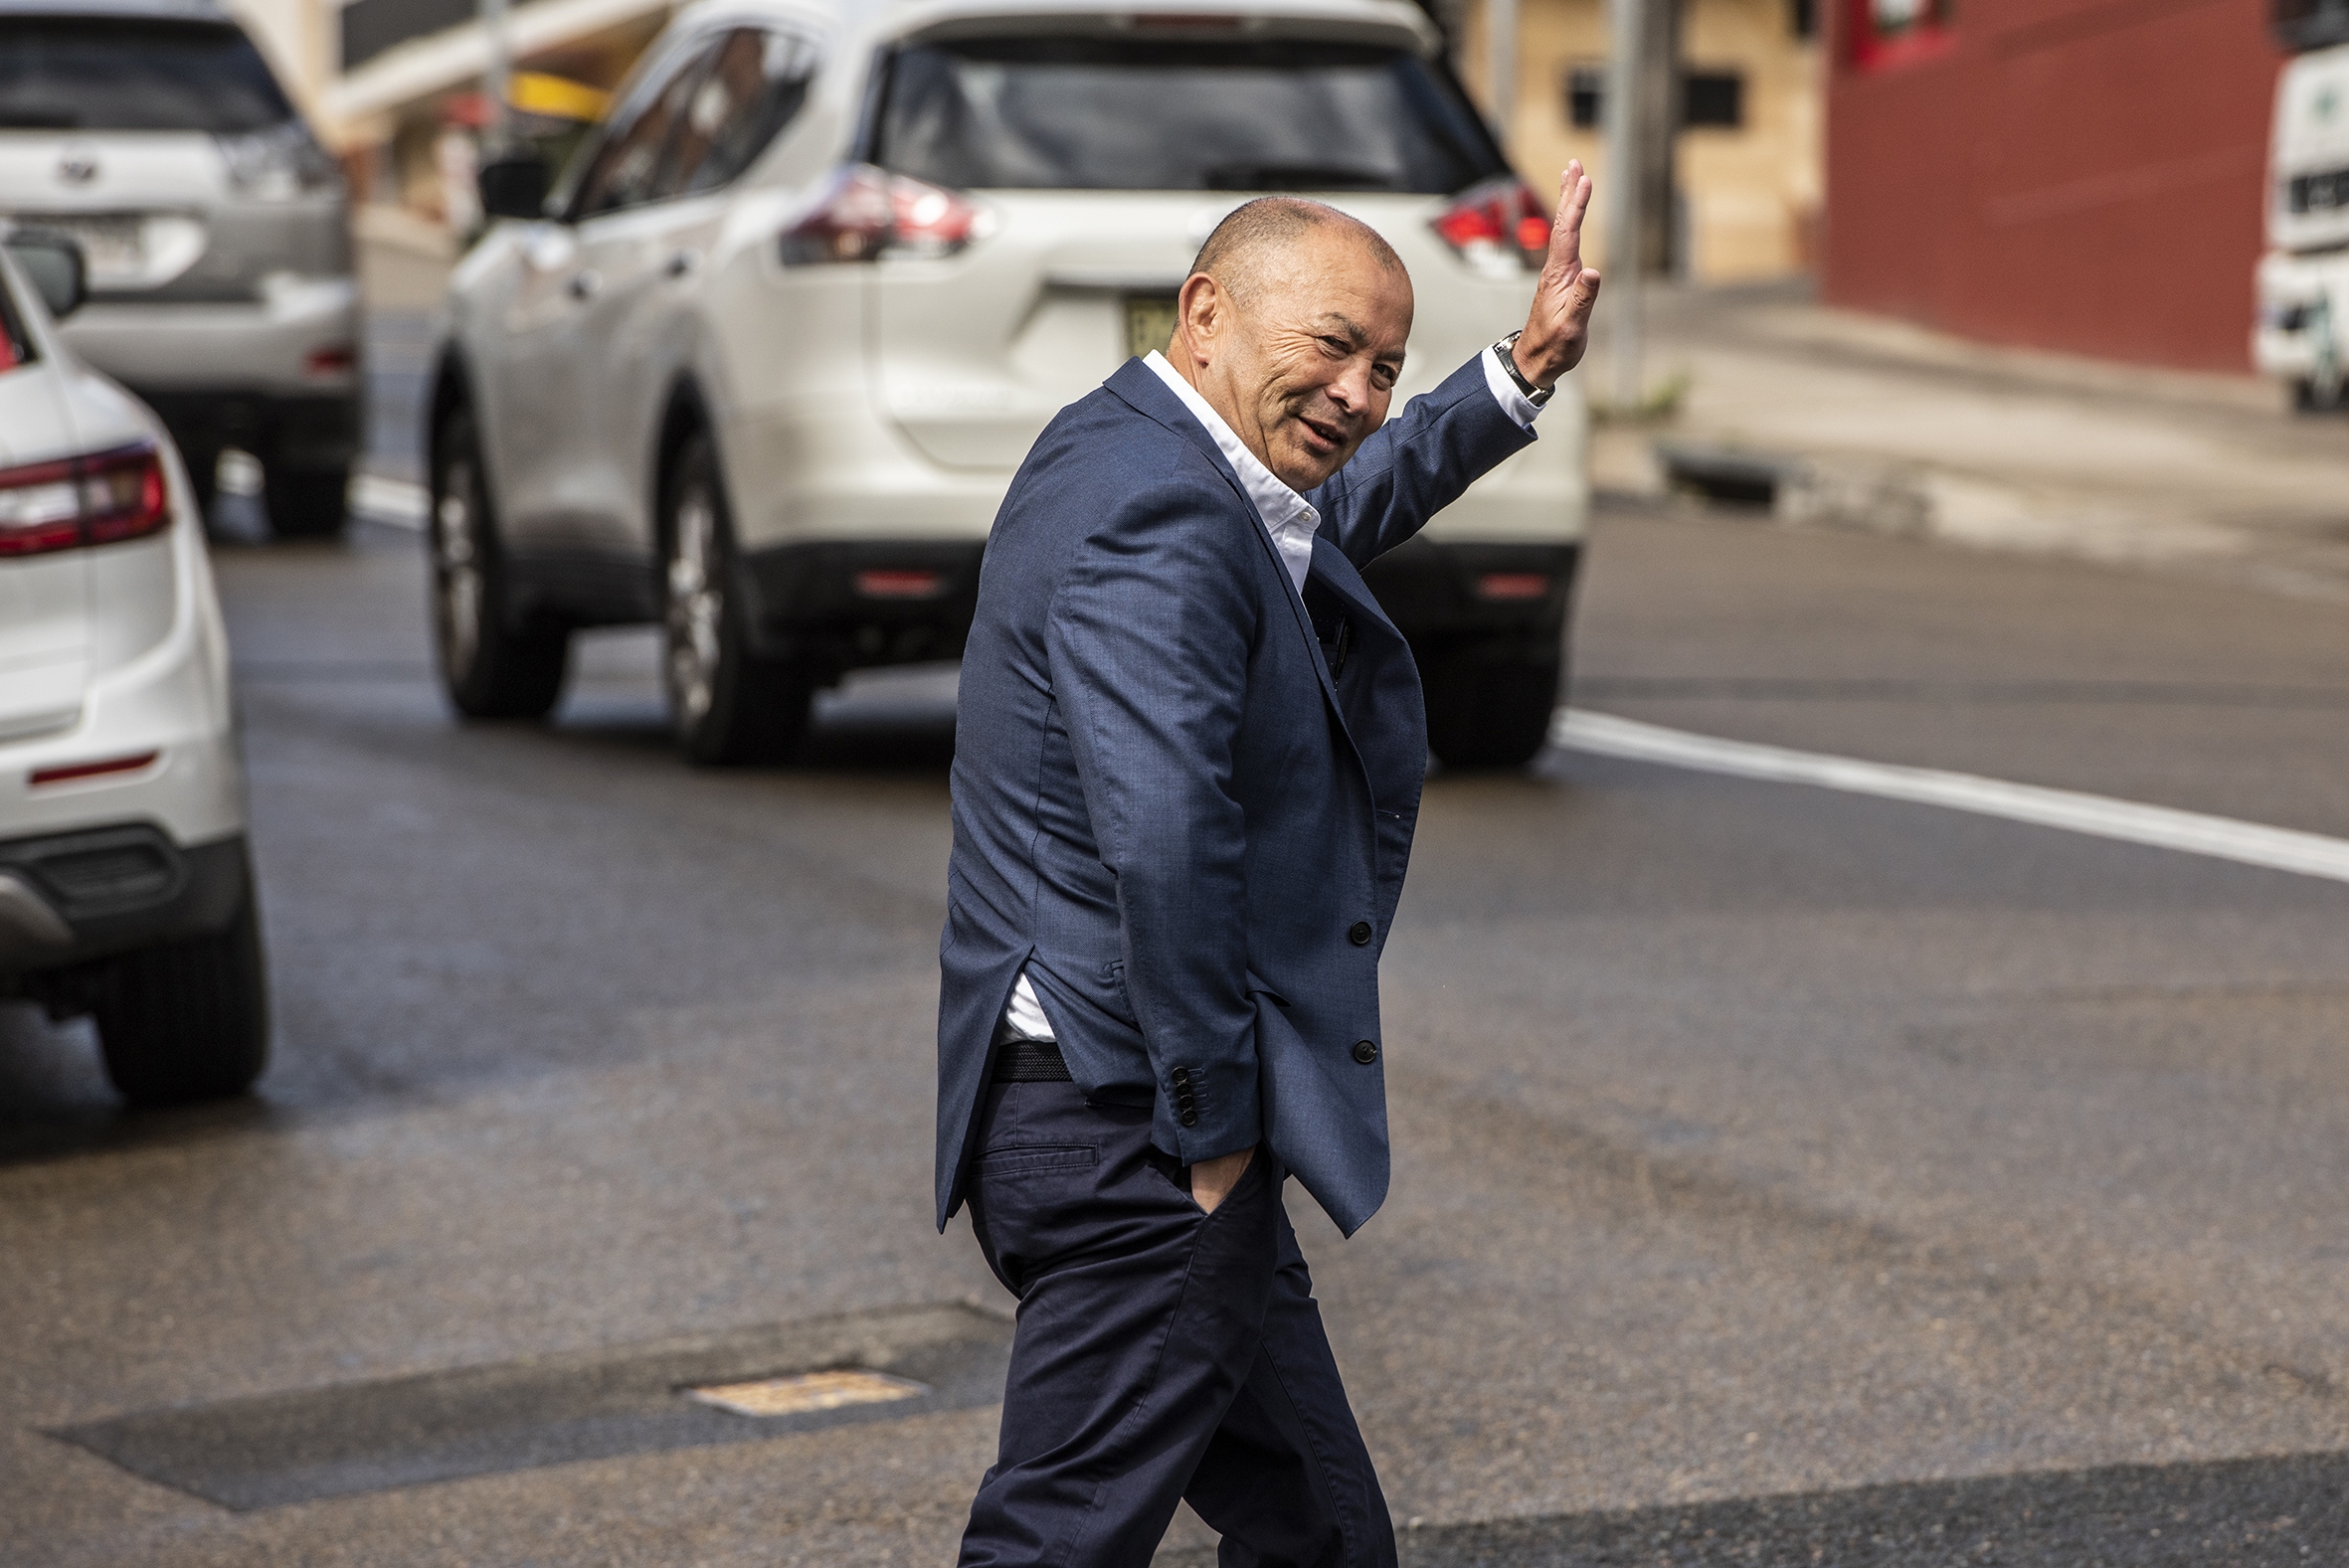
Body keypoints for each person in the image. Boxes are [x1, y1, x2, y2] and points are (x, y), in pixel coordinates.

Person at [936, 163, 1602, 1567]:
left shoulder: (1128, 447)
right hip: (1135, 1135)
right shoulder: (1161, 514)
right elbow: (1164, 837)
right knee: (1058, 1539)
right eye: (1331, 347)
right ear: (1205, 312)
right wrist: (1215, 1131)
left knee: (1322, 1533)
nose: (1358, 395)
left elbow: (1318, 524)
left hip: (1109, 1118)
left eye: (1384, 368)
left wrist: (1518, 373)